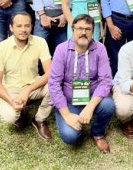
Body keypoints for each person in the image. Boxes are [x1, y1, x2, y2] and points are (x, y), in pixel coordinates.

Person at [48, 14, 115, 152]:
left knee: (108, 105)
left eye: (88, 29)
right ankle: (73, 120)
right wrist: (66, 115)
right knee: (70, 136)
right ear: (72, 30)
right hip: (69, 101)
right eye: (79, 28)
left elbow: (106, 81)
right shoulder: (61, 49)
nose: (83, 32)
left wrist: (90, 107)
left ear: (92, 31)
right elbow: (54, 84)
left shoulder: (100, 49)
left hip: (91, 98)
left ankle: (97, 132)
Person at [0, 11, 53, 140]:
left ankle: (39, 119)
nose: (23, 30)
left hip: (33, 85)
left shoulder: (40, 42)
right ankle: (20, 109)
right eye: (19, 26)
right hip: (12, 90)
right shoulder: (1, 48)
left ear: (32, 26)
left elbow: (50, 73)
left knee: (56, 84)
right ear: (11, 27)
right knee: (10, 118)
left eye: (27, 26)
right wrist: (10, 101)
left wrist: (28, 90)